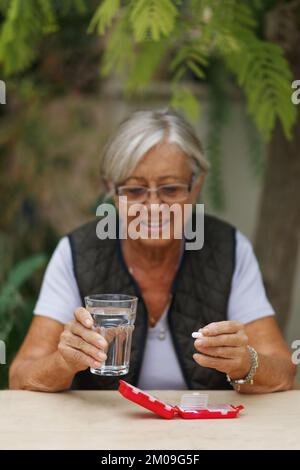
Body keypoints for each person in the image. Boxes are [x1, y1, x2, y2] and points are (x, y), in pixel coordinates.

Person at [9, 109, 296, 392]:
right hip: (102, 434)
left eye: (170, 189)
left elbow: (284, 372)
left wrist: (245, 362)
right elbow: (20, 377)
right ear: (112, 190)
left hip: (204, 435)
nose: (154, 208)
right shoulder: (77, 252)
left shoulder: (228, 248)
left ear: (195, 187)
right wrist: (64, 362)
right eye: (134, 191)